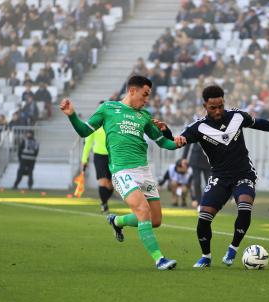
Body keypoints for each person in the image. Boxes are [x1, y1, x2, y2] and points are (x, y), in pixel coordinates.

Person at [59, 75, 185, 270]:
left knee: (156, 220)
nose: (146, 100)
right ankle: (160, 259)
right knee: (143, 211)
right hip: (122, 171)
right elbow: (84, 131)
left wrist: (176, 141)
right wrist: (72, 115)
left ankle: (117, 220)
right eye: (144, 95)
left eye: (148, 96)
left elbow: (163, 142)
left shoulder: (144, 115)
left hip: (144, 172)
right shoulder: (108, 109)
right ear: (132, 91)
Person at [170, 85, 269, 268]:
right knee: (203, 218)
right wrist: (170, 135)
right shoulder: (198, 127)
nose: (218, 111)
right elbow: (176, 141)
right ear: (205, 105)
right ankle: (206, 256)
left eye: (221, 105)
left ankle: (233, 248)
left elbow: (260, 123)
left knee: (245, 206)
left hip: (243, 173)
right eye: (213, 107)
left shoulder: (237, 116)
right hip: (220, 178)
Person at [81, 117, 113, 214]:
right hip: (99, 156)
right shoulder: (94, 125)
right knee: (102, 181)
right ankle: (104, 204)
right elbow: (88, 143)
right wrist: (84, 159)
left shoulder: (113, 124)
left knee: (111, 184)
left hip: (113, 156)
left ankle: (104, 201)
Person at [182, 140, 210, 207]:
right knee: (197, 182)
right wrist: (184, 158)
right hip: (195, 159)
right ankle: (199, 202)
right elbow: (187, 141)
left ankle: (209, 202)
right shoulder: (195, 129)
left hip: (208, 159)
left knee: (209, 183)